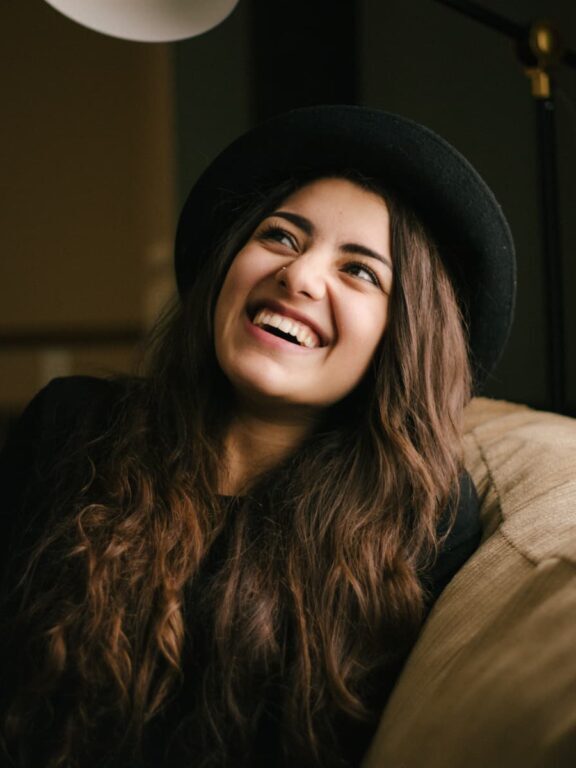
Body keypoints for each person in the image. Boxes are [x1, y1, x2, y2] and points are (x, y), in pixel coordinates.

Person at [0, 105, 515, 768]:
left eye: (359, 270)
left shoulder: (424, 519)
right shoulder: (71, 427)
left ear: (403, 338)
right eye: (280, 236)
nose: (298, 275)